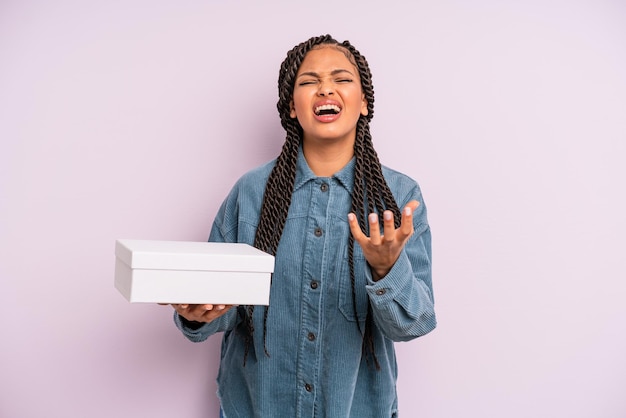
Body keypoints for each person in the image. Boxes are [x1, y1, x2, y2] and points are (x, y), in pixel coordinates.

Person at [168, 34, 436, 418]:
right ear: (292, 107)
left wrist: (385, 268)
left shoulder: (399, 197)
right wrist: (199, 312)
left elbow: (414, 323)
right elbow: (225, 305)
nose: (325, 88)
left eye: (342, 79)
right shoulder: (250, 193)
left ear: (364, 103)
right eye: (309, 81)